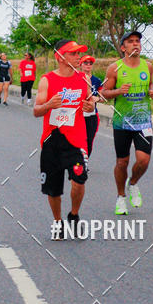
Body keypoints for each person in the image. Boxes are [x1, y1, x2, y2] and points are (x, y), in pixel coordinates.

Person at [33, 40, 95, 236]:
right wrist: (49, 104)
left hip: (76, 141)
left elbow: (90, 101)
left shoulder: (83, 79)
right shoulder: (47, 80)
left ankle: (74, 215)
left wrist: (90, 106)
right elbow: (36, 110)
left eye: (79, 54)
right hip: (52, 141)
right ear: (60, 57)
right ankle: (58, 221)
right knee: (53, 189)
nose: (78, 57)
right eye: (73, 54)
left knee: (79, 180)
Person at [101, 30, 153, 215]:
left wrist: (152, 91)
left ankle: (133, 183)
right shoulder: (114, 68)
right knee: (122, 162)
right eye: (131, 41)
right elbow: (103, 93)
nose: (136, 44)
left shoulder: (147, 66)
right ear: (123, 47)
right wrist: (118, 92)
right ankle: (121, 197)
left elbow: (150, 85)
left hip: (143, 122)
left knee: (144, 160)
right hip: (122, 123)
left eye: (138, 41)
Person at [79, 55, 103, 157]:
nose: (88, 65)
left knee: (89, 140)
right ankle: (76, 162)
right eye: (85, 63)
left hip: (91, 114)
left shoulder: (96, 80)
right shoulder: (76, 77)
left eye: (90, 63)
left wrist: (96, 98)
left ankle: (85, 162)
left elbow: (103, 96)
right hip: (78, 114)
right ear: (80, 65)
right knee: (78, 140)